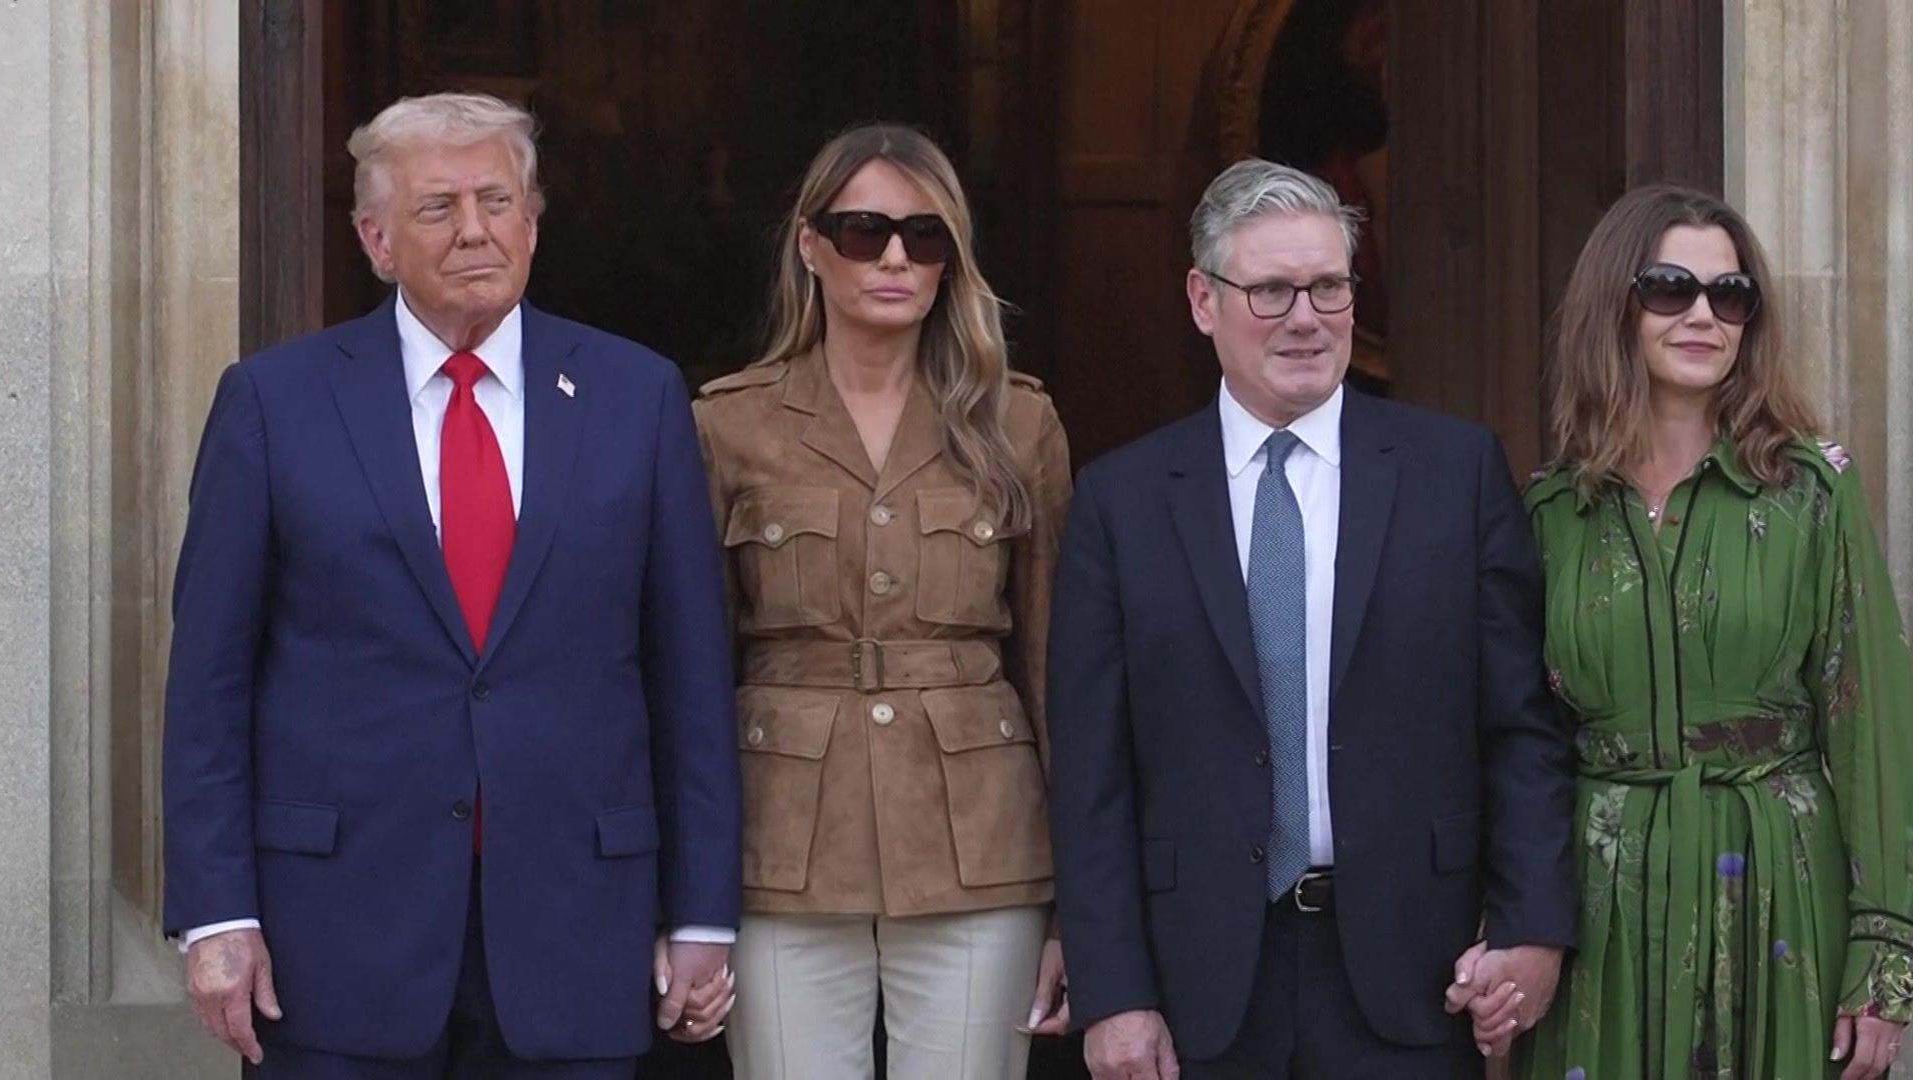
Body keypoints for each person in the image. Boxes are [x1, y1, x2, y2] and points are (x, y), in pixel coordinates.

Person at [162, 92, 742, 1076]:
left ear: (532, 220)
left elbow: (689, 674)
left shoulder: (636, 396)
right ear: (375, 239)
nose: (475, 228)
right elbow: (210, 679)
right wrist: (215, 912)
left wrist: (702, 914)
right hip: (334, 935)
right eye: (438, 207)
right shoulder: (274, 401)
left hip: (575, 926)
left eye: (497, 200)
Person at [1045, 157, 1577, 1079]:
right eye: (1271, 290)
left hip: (1415, 972)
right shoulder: (1120, 499)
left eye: (1329, 286)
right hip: (1196, 985)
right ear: (1203, 300)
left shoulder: (1456, 474)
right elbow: (1091, 772)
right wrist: (1114, 993)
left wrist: (1531, 925)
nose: (1306, 316)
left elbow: (1523, 724)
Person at [1498, 183, 1913, 1080]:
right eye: (1669, 288)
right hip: (1602, 902)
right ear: (1618, 304)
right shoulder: (1551, 511)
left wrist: (1885, 956)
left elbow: (1872, 724)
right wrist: (1510, 921)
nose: (1703, 315)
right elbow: (1517, 742)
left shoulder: (1810, 493)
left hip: (1778, 890)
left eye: (1730, 296)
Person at [691, 123, 1073, 1080]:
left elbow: (1058, 667)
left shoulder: (1017, 421)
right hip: (779, 848)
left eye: (926, 234)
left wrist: (1082, 905)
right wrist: (685, 896)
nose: (897, 255)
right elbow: (688, 676)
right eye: (864, 231)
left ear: (952, 260)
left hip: (982, 845)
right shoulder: (728, 424)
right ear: (812, 246)